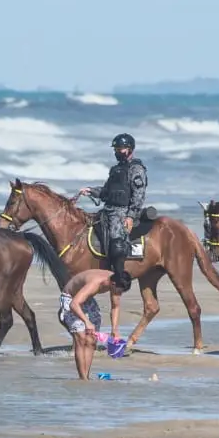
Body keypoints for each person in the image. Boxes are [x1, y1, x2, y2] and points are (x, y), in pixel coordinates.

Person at [79, 133, 147, 335]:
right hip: (107, 210)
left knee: (117, 245)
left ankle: (117, 277)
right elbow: (107, 191)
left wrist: (131, 216)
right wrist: (91, 191)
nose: (119, 152)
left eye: (122, 149)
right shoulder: (115, 169)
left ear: (130, 149)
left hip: (122, 212)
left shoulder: (137, 169)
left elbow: (139, 195)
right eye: (116, 149)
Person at [58, 268, 128, 381]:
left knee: (91, 340)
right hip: (70, 299)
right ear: (113, 283)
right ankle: (83, 378)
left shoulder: (116, 281)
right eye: (118, 291)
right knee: (81, 338)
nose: (118, 294)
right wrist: (87, 322)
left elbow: (115, 307)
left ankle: (87, 376)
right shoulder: (95, 283)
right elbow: (74, 304)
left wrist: (115, 330)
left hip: (86, 298)